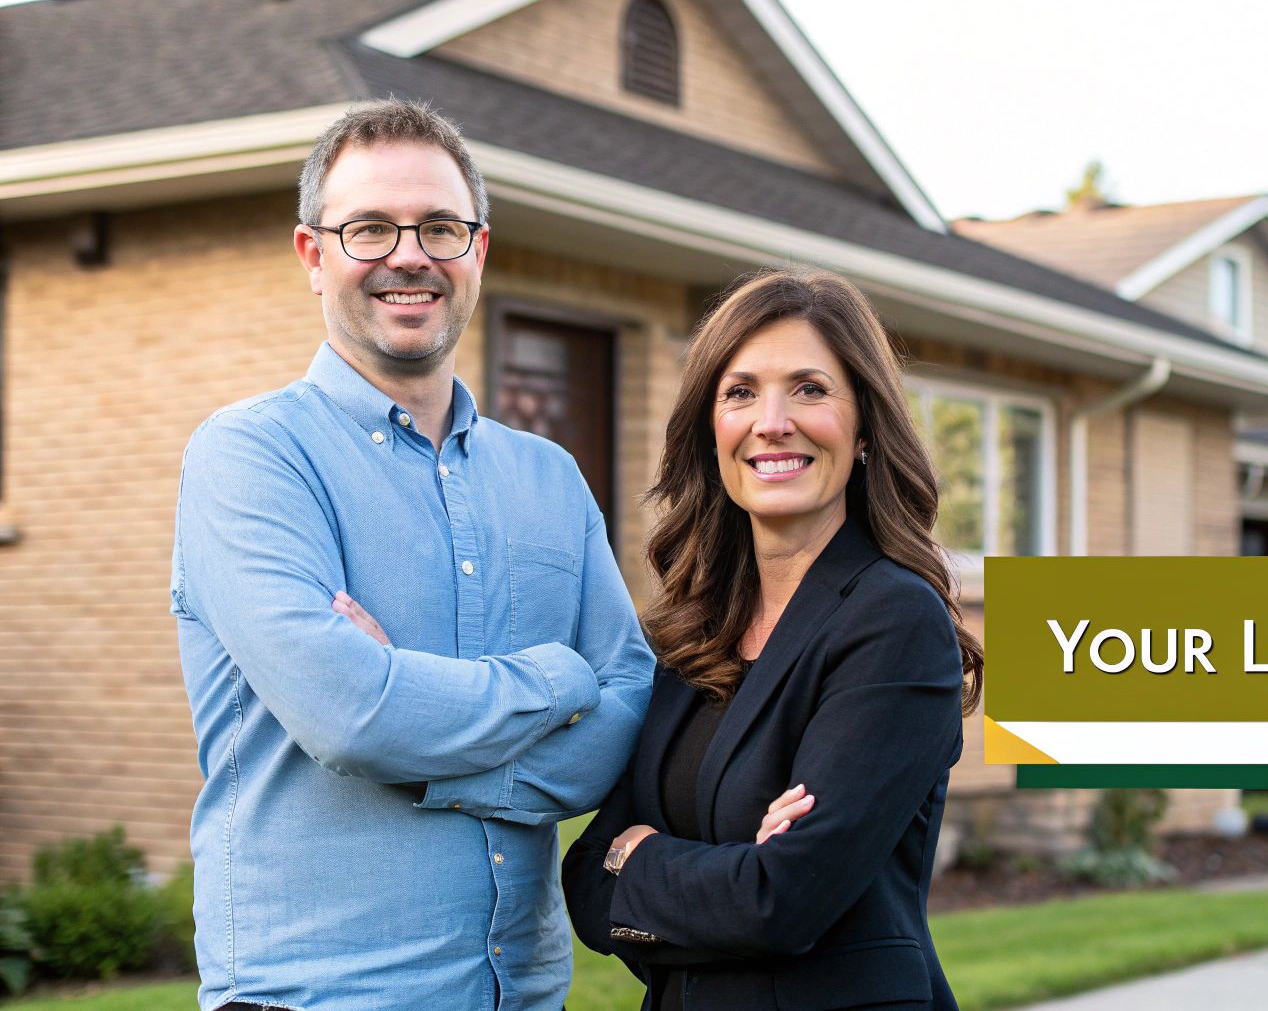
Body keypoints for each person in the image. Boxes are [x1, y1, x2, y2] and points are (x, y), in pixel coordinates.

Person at [169, 99, 653, 1011]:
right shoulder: (249, 458)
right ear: (314, 256)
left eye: (439, 226)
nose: (409, 255)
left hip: (524, 990)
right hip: (319, 995)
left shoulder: (548, 477)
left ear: (478, 251)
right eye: (369, 229)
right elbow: (352, 716)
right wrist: (556, 681)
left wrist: (420, 739)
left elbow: (627, 707)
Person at [562, 269, 985, 1010]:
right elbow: (588, 877)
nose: (773, 420)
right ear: (712, 431)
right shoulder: (696, 627)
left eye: (811, 389)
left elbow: (780, 901)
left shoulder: (893, 620)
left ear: (864, 432)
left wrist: (646, 855)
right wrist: (695, 868)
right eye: (741, 391)